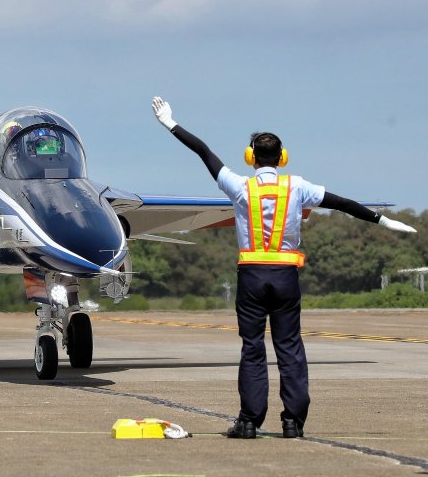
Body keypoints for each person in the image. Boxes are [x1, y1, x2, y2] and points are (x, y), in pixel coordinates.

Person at [150, 96, 417, 439]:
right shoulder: (298, 186)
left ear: (251, 158)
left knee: (252, 347)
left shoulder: (239, 186)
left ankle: (249, 421)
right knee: (289, 346)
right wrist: (381, 219)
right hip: (286, 277)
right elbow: (343, 204)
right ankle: (293, 421)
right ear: (282, 158)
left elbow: (204, 151)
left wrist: (170, 122)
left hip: (251, 278)